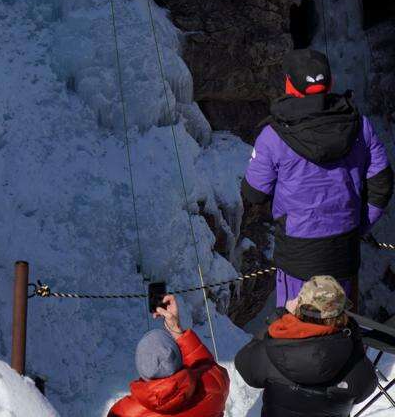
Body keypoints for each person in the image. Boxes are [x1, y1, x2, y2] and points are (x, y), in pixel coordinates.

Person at [241, 49, 392, 307]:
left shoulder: (273, 136)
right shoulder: (360, 125)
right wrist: (359, 225)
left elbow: (254, 193)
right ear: (330, 83)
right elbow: (383, 184)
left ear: (288, 84)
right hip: (343, 250)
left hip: (297, 254)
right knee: (343, 326)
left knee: (297, 332)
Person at [234, 275, 377, 417]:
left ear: (298, 306)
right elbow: (366, 388)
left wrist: (278, 318)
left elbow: (244, 366)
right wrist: (354, 336)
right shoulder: (354, 364)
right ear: (339, 315)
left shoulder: (271, 350)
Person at [107, 293, 229, 417]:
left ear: (142, 370)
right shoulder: (214, 386)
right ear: (179, 357)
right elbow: (207, 365)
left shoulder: (123, 412)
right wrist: (176, 330)